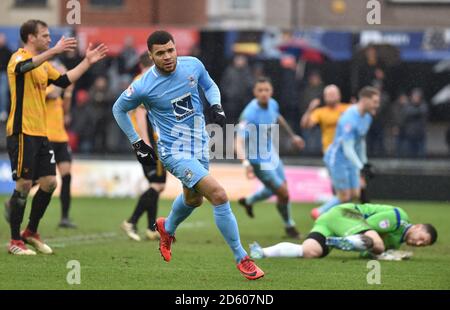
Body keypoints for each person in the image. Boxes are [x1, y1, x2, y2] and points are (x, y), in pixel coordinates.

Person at [112, 31, 264, 280]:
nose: (168, 57)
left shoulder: (192, 65)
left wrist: (216, 105)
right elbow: (118, 109)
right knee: (218, 194)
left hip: (200, 145)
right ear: (151, 56)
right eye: (160, 53)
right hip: (174, 152)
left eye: (170, 50)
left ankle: (166, 227)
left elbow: (209, 85)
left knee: (194, 200)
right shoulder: (143, 85)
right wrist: (137, 142)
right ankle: (242, 258)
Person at [4, 19, 108, 255]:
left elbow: (63, 80)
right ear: (31, 38)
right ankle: (14, 241)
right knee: (24, 184)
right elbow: (24, 68)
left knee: (50, 183)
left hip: (41, 133)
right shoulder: (17, 58)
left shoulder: (44, 65)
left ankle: (30, 231)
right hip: (22, 131)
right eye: (45, 35)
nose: (49, 39)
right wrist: (54, 51)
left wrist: (87, 62)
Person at [236, 77, 304, 239]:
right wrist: (246, 164)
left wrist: (292, 136)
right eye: (260, 90)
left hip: (271, 152)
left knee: (279, 189)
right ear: (255, 93)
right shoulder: (249, 113)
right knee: (283, 193)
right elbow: (237, 141)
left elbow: (278, 117)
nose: (264, 93)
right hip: (258, 160)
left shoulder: (273, 104)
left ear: (271, 91)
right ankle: (289, 226)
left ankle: (249, 201)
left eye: (267, 90)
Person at [250, 203, 438, 260]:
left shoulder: (396, 242)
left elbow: (365, 253)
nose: (419, 243)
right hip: (345, 214)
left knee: (310, 252)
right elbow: (368, 225)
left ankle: (261, 252)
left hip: (329, 222)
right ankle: (343, 240)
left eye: (424, 245)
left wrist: (383, 253)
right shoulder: (399, 217)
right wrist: (387, 254)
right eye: (422, 238)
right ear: (418, 226)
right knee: (379, 245)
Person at [312, 87, 380, 219]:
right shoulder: (349, 118)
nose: (377, 105)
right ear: (365, 100)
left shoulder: (367, 117)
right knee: (344, 196)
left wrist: (365, 163)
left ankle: (338, 218)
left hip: (351, 158)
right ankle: (319, 212)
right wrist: (361, 166)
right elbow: (347, 147)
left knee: (355, 193)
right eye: (375, 101)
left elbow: (360, 142)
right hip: (337, 158)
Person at [121, 52, 165, 242]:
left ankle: (150, 228)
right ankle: (131, 221)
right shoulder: (146, 80)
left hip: (147, 139)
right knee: (158, 184)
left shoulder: (139, 79)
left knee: (155, 185)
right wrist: (146, 143)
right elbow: (140, 113)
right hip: (148, 141)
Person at [46, 61, 76, 228]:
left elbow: (66, 112)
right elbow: (52, 93)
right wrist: (65, 80)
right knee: (40, 179)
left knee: (67, 176)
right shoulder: (46, 87)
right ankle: (16, 199)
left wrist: (69, 93)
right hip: (47, 138)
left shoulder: (59, 93)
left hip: (61, 139)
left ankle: (64, 217)